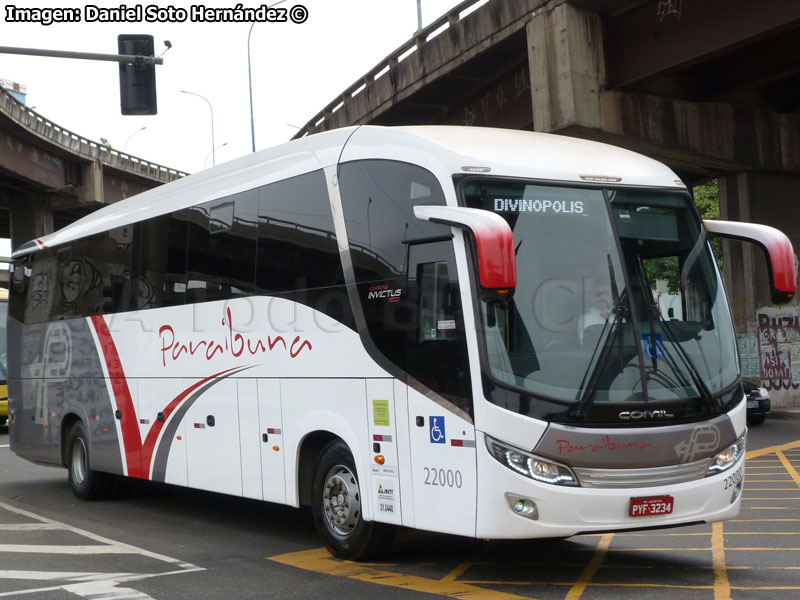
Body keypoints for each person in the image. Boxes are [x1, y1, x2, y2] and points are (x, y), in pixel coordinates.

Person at [578, 278, 612, 345]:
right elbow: (587, 345)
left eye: (606, 294)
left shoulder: (619, 317)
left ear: (611, 296)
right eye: (598, 294)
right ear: (591, 297)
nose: (603, 298)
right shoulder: (585, 319)